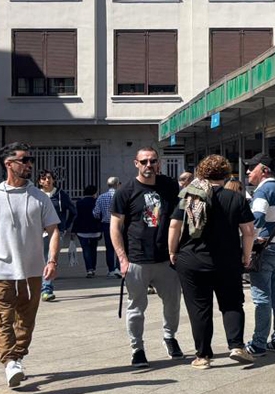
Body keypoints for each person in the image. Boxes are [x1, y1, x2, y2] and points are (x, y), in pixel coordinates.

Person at [0, 142, 61, 388]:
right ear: (9, 164)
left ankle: (17, 356)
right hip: (0, 270)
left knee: (26, 321)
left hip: (32, 270)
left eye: (30, 160)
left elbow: (54, 230)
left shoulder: (39, 197)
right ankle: (10, 362)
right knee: (4, 319)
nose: (29, 164)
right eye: (24, 160)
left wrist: (52, 260)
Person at [169, 155, 255, 369]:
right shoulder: (236, 198)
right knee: (232, 303)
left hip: (192, 260)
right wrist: (246, 255)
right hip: (227, 260)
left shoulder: (189, 197)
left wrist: (172, 251)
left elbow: (174, 226)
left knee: (199, 308)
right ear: (226, 175)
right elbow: (248, 231)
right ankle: (236, 346)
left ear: (201, 174)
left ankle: (203, 356)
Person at [110, 147, 185, 370]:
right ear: (136, 163)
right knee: (136, 308)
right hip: (137, 259)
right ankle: (137, 348)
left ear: (159, 163)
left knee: (173, 303)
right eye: (144, 162)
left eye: (153, 161)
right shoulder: (126, 191)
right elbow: (115, 227)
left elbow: (180, 217)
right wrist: (122, 259)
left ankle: (169, 337)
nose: (148, 165)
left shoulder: (170, 186)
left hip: (166, 258)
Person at [245, 154, 275, 355]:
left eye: (251, 168)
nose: (248, 171)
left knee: (261, 297)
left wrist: (251, 243)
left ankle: (258, 343)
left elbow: (256, 220)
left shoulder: (262, 192)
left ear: (264, 170)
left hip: (263, 251)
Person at [36, 171, 74, 302]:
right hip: (38, 232)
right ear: (39, 181)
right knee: (39, 259)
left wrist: (64, 226)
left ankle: (47, 288)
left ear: (53, 180)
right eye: (43, 178)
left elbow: (73, 211)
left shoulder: (60, 195)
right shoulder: (36, 195)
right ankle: (39, 286)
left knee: (50, 259)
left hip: (56, 232)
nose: (47, 180)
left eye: (49, 178)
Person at [92, 177, 121, 277]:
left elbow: (96, 213)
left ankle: (111, 269)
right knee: (120, 246)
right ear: (117, 184)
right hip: (120, 224)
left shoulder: (101, 197)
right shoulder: (120, 196)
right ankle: (119, 267)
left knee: (109, 248)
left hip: (106, 225)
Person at [72, 184, 101, 277]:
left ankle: (89, 269)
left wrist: (73, 230)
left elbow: (77, 217)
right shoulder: (96, 202)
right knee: (93, 249)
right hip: (95, 230)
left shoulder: (79, 203)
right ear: (94, 193)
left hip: (82, 230)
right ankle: (93, 267)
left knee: (86, 250)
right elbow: (99, 215)